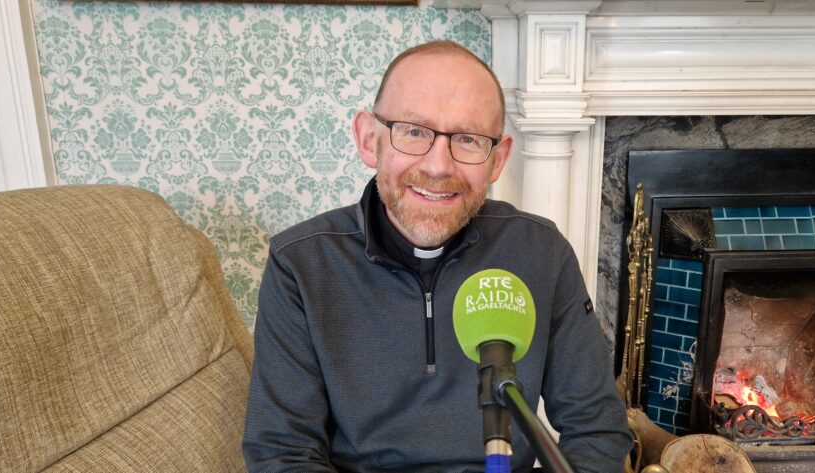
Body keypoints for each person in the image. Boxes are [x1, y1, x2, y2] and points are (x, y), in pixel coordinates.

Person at [242, 40, 631, 473]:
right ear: (369, 139)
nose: (439, 166)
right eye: (413, 131)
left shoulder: (541, 252)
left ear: (497, 160)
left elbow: (598, 429)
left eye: (467, 139)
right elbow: (282, 453)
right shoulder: (300, 264)